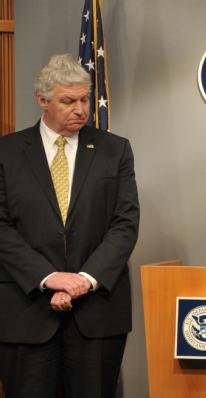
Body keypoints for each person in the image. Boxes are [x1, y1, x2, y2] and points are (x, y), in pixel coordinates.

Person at [0, 54, 139, 398]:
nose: (80, 109)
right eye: (68, 101)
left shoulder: (114, 150)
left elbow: (125, 223)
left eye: (84, 100)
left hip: (96, 312)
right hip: (26, 311)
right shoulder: (6, 152)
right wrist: (49, 278)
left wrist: (83, 281)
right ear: (42, 101)